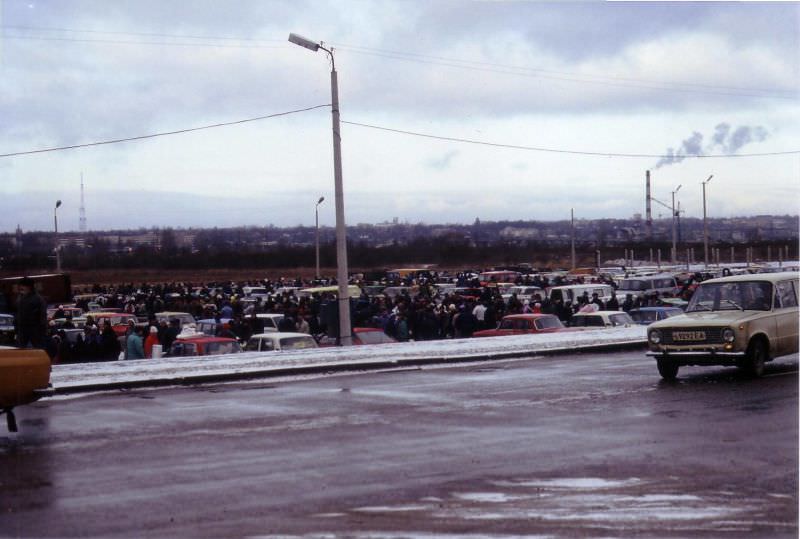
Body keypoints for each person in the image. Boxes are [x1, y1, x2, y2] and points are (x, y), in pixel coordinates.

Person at [16, 277, 48, 349]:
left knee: (38, 348)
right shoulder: (20, 298)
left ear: (29, 287)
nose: (21, 288)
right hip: (23, 329)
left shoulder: (38, 299)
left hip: (35, 329)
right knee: (21, 349)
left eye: (23, 286)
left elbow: (42, 316)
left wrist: (42, 330)